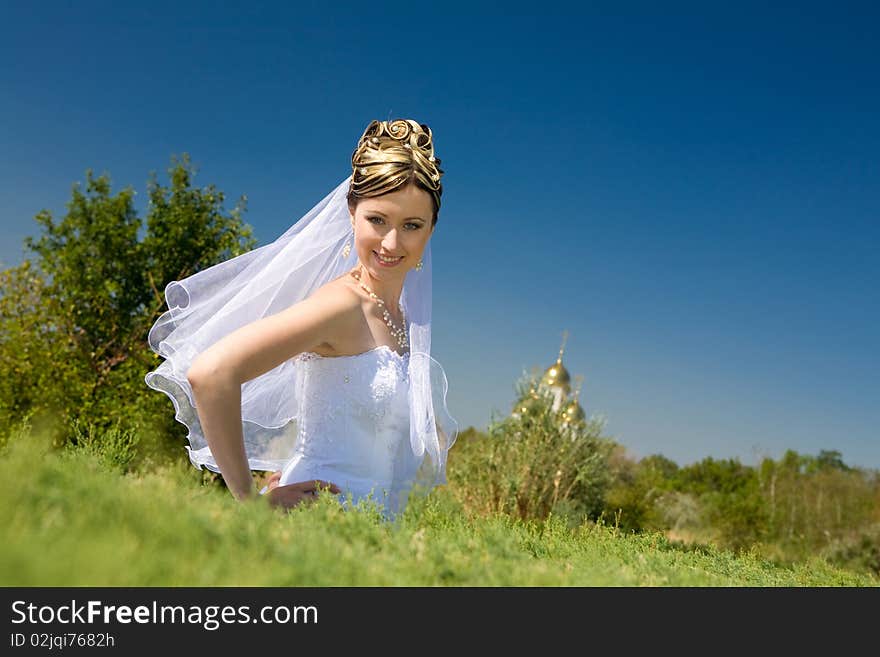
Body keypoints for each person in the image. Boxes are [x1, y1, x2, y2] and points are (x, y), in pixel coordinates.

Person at [144, 118, 458, 519]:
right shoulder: (341, 305)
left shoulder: (402, 317)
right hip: (315, 527)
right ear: (351, 214)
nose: (392, 242)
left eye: (411, 225)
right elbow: (212, 373)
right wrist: (249, 505)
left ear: (430, 230)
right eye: (377, 220)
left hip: (373, 542)